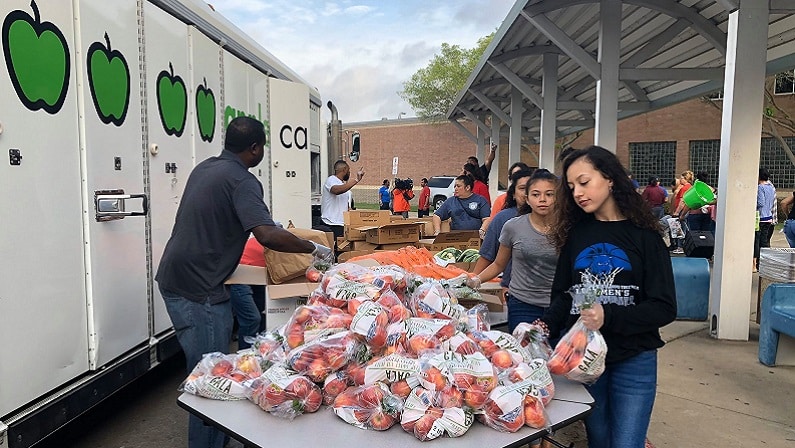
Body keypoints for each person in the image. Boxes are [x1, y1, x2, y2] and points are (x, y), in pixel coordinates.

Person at [155, 116, 333, 448]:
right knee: (211, 383)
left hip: (175, 279)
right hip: (200, 291)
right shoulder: (242, 180)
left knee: (211, 372)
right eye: (262, 146)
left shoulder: (206, 168)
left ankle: (216, 441)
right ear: (255, 148)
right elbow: (266, 234)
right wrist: (313, 248)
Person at [535, 146, 676, 448]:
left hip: (634, 359)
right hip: (583, 360)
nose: (577, 193)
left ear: (610, 178)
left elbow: (664, 307)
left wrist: (608, 316)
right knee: (599, 439)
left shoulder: (646, 237)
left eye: (584, 182)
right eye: (572, 187)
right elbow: (563, 294)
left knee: (626, 443)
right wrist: (544, 325)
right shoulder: (577, 235)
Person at [469, 169, 558, 333]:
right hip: (522, 305)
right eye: (536, 194)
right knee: (523, 354)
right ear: (528, 199)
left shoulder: (567, 229)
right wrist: (476, 279)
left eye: (549, 194)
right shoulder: (513, 226)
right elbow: (498, 264)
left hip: (558, 306)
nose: (542, 199)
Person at [473, 169, 535, 303]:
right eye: (522, 188)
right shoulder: (504, 219)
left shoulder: (555, 222)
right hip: (514, 293)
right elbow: (490, 258)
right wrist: (473, 280)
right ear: (513, 194)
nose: (527, 193)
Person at [229, 236, 268, 350]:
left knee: (260, 313)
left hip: (255, 275)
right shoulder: (270, 241)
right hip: (238, 277)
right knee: (252, 318)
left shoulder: (265, 239)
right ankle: (245, 353)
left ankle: (258, 347)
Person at [321, 160, 364, 240]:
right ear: (344, 169)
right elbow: (336, 190)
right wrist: (356, 180)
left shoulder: (344, 186)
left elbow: (346, 205)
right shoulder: (331, 180)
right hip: (331, 223)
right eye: (349, 170)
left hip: (342, 224)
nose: (349, 172)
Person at [755, 167, 777, 271]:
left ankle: (756, 264)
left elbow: (761, 203)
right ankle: (765, 263)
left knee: (757, 241)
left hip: (761, 217)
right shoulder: (771, 187)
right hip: (769, 217)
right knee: (764, 241)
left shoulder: (760, 187)